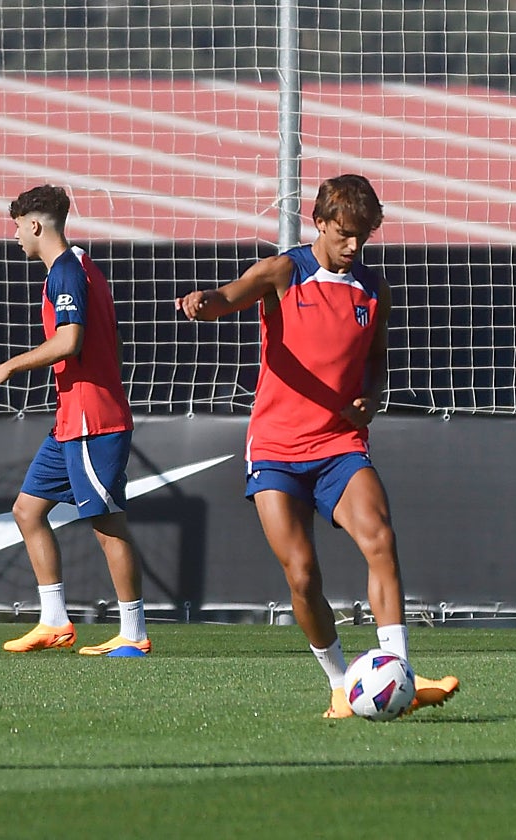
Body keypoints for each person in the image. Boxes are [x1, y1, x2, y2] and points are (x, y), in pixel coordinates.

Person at [176, 174, 458, 718]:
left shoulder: (374, 289)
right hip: (277, 448)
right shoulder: (285, 271)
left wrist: (372, 398)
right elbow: (230, 296)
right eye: (347, 234)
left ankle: (399, 670)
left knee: (380, 539)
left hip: (340, 445)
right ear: (321, 223)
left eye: (365, 236)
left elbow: (376, 361)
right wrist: (203, 302)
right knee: (302, 576)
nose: (355, 246)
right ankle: (337, 683)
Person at [0, 184, 150, 657]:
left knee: (105, 522)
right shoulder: (84, 267)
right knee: (27, 510)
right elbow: (111, 344)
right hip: (71, 421)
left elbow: (69, 341)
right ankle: (54, 621)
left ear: (35, 225)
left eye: (17, 226)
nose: (15, 236)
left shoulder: (66, 273)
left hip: (93, 422)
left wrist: (9, 366)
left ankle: (134, 632)